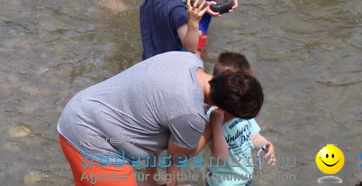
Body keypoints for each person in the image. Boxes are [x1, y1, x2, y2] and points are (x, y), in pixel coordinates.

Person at [57, 51, 264, 186]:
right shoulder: (190, 114)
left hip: (79, 111)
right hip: (92, 139)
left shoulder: (190, 60)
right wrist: (217, 123)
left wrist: (151, 177)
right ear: (224, 110)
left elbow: (154, 117)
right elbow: (178, 155)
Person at [204, 51, 276, 186]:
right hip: (222, 182)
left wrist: (265, 144)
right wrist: (216, 126)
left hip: (245, 178)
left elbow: (253, 137)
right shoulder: (213, 116)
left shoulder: (242, 111)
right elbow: (220, 156)